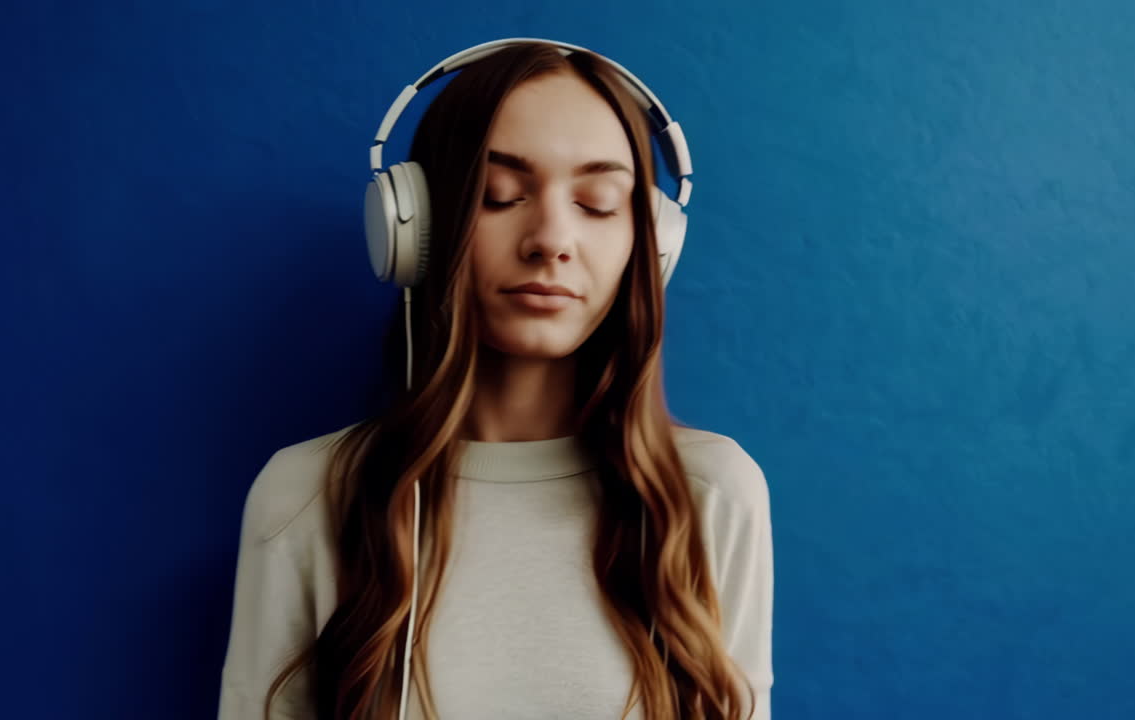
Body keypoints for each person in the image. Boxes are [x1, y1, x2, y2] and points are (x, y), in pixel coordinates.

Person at [216, 39, 774, 720]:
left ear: (650, 243)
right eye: (499, 195)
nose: (551, 240)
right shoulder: (305, 496)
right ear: (417, 225)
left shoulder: (712, 495)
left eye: (598, 203)